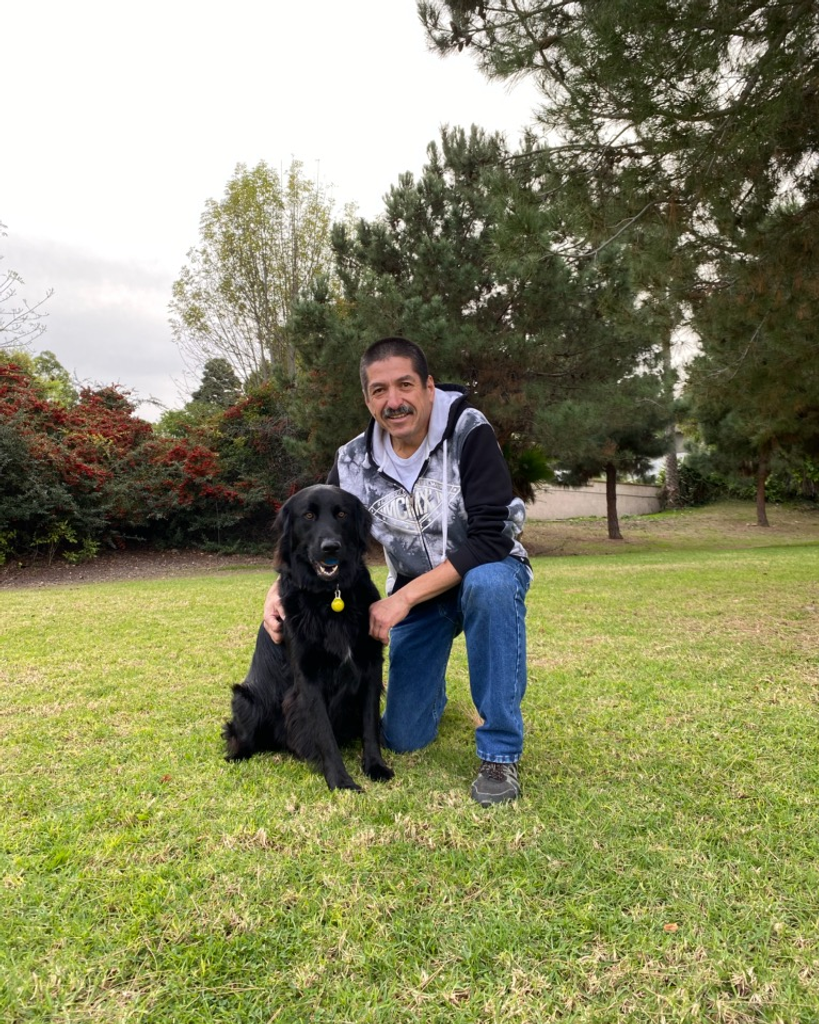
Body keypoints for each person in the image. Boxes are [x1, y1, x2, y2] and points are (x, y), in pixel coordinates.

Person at [264, 337, 532, 805]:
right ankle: (431, 693)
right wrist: (275, 591)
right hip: (419, 592)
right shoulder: (351, 461)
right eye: (379, 390)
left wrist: (402, 598)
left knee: (487, 585)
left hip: (486, 571)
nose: (394, 401)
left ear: (428, 387)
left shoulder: (469, 431)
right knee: (403, 737)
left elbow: (493, 538)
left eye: (405, 385)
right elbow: (311, 533)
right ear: (367, 399)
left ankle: (500, 754)